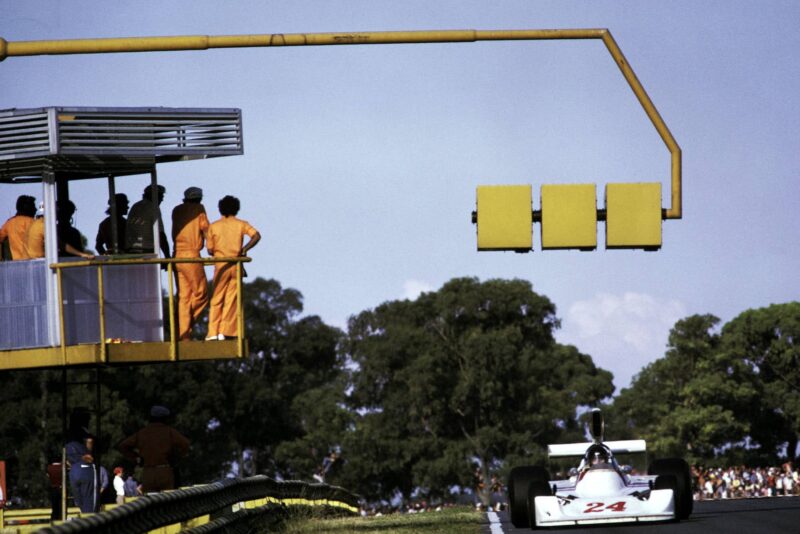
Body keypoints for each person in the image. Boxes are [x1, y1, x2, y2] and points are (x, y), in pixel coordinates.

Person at [206, 196, 260, 340]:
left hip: (221, 266)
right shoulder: (241, 224)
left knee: (217, 298)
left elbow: (210, 250)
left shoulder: (213, 226)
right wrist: (244, 249)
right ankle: (225, 331)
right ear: (237, 209)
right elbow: (256, 236)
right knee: (232, 299)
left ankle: (213, 332)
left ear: (220, 209)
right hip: (236, 265)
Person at [117, 405, 190, 493]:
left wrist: (136, 457)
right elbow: (185, 444)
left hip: (148, 473)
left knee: (152, 502)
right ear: (165, 418)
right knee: (168, 502)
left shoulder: (142, 433)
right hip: (165, 472)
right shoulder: (169, 432)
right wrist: (177, 458)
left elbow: (123, 446)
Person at [171, 187, 210, 340]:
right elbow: (206, 229)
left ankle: (183, 334)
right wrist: (212, 248)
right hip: (191, 256)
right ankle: (185, 327)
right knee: (201, 294)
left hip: (176, 256)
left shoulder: (176, 210)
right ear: (199, 199)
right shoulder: (199, 209)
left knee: (184, 298)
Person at [65, 409, 96, 513]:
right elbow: (90, 440)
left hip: (73, 470)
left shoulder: (68, 432)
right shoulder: (83, 430)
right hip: (84, 467)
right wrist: (89, 452)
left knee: (79, 501)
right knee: (89, 500)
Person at [126, 185, 170, 258]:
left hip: (130, 250)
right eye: (161, 196)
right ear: (155, 195)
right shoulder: (153, 207)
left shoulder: (135, 206)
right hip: (147, 250)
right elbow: (160, 234)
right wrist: (167, 256)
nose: (162, 199)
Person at [0, 195, 36, 260]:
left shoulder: (9, 223)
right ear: (27, 207)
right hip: (35, 263)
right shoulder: (35, 223)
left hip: (17, 265)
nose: (35, 209)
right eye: (33, 206)